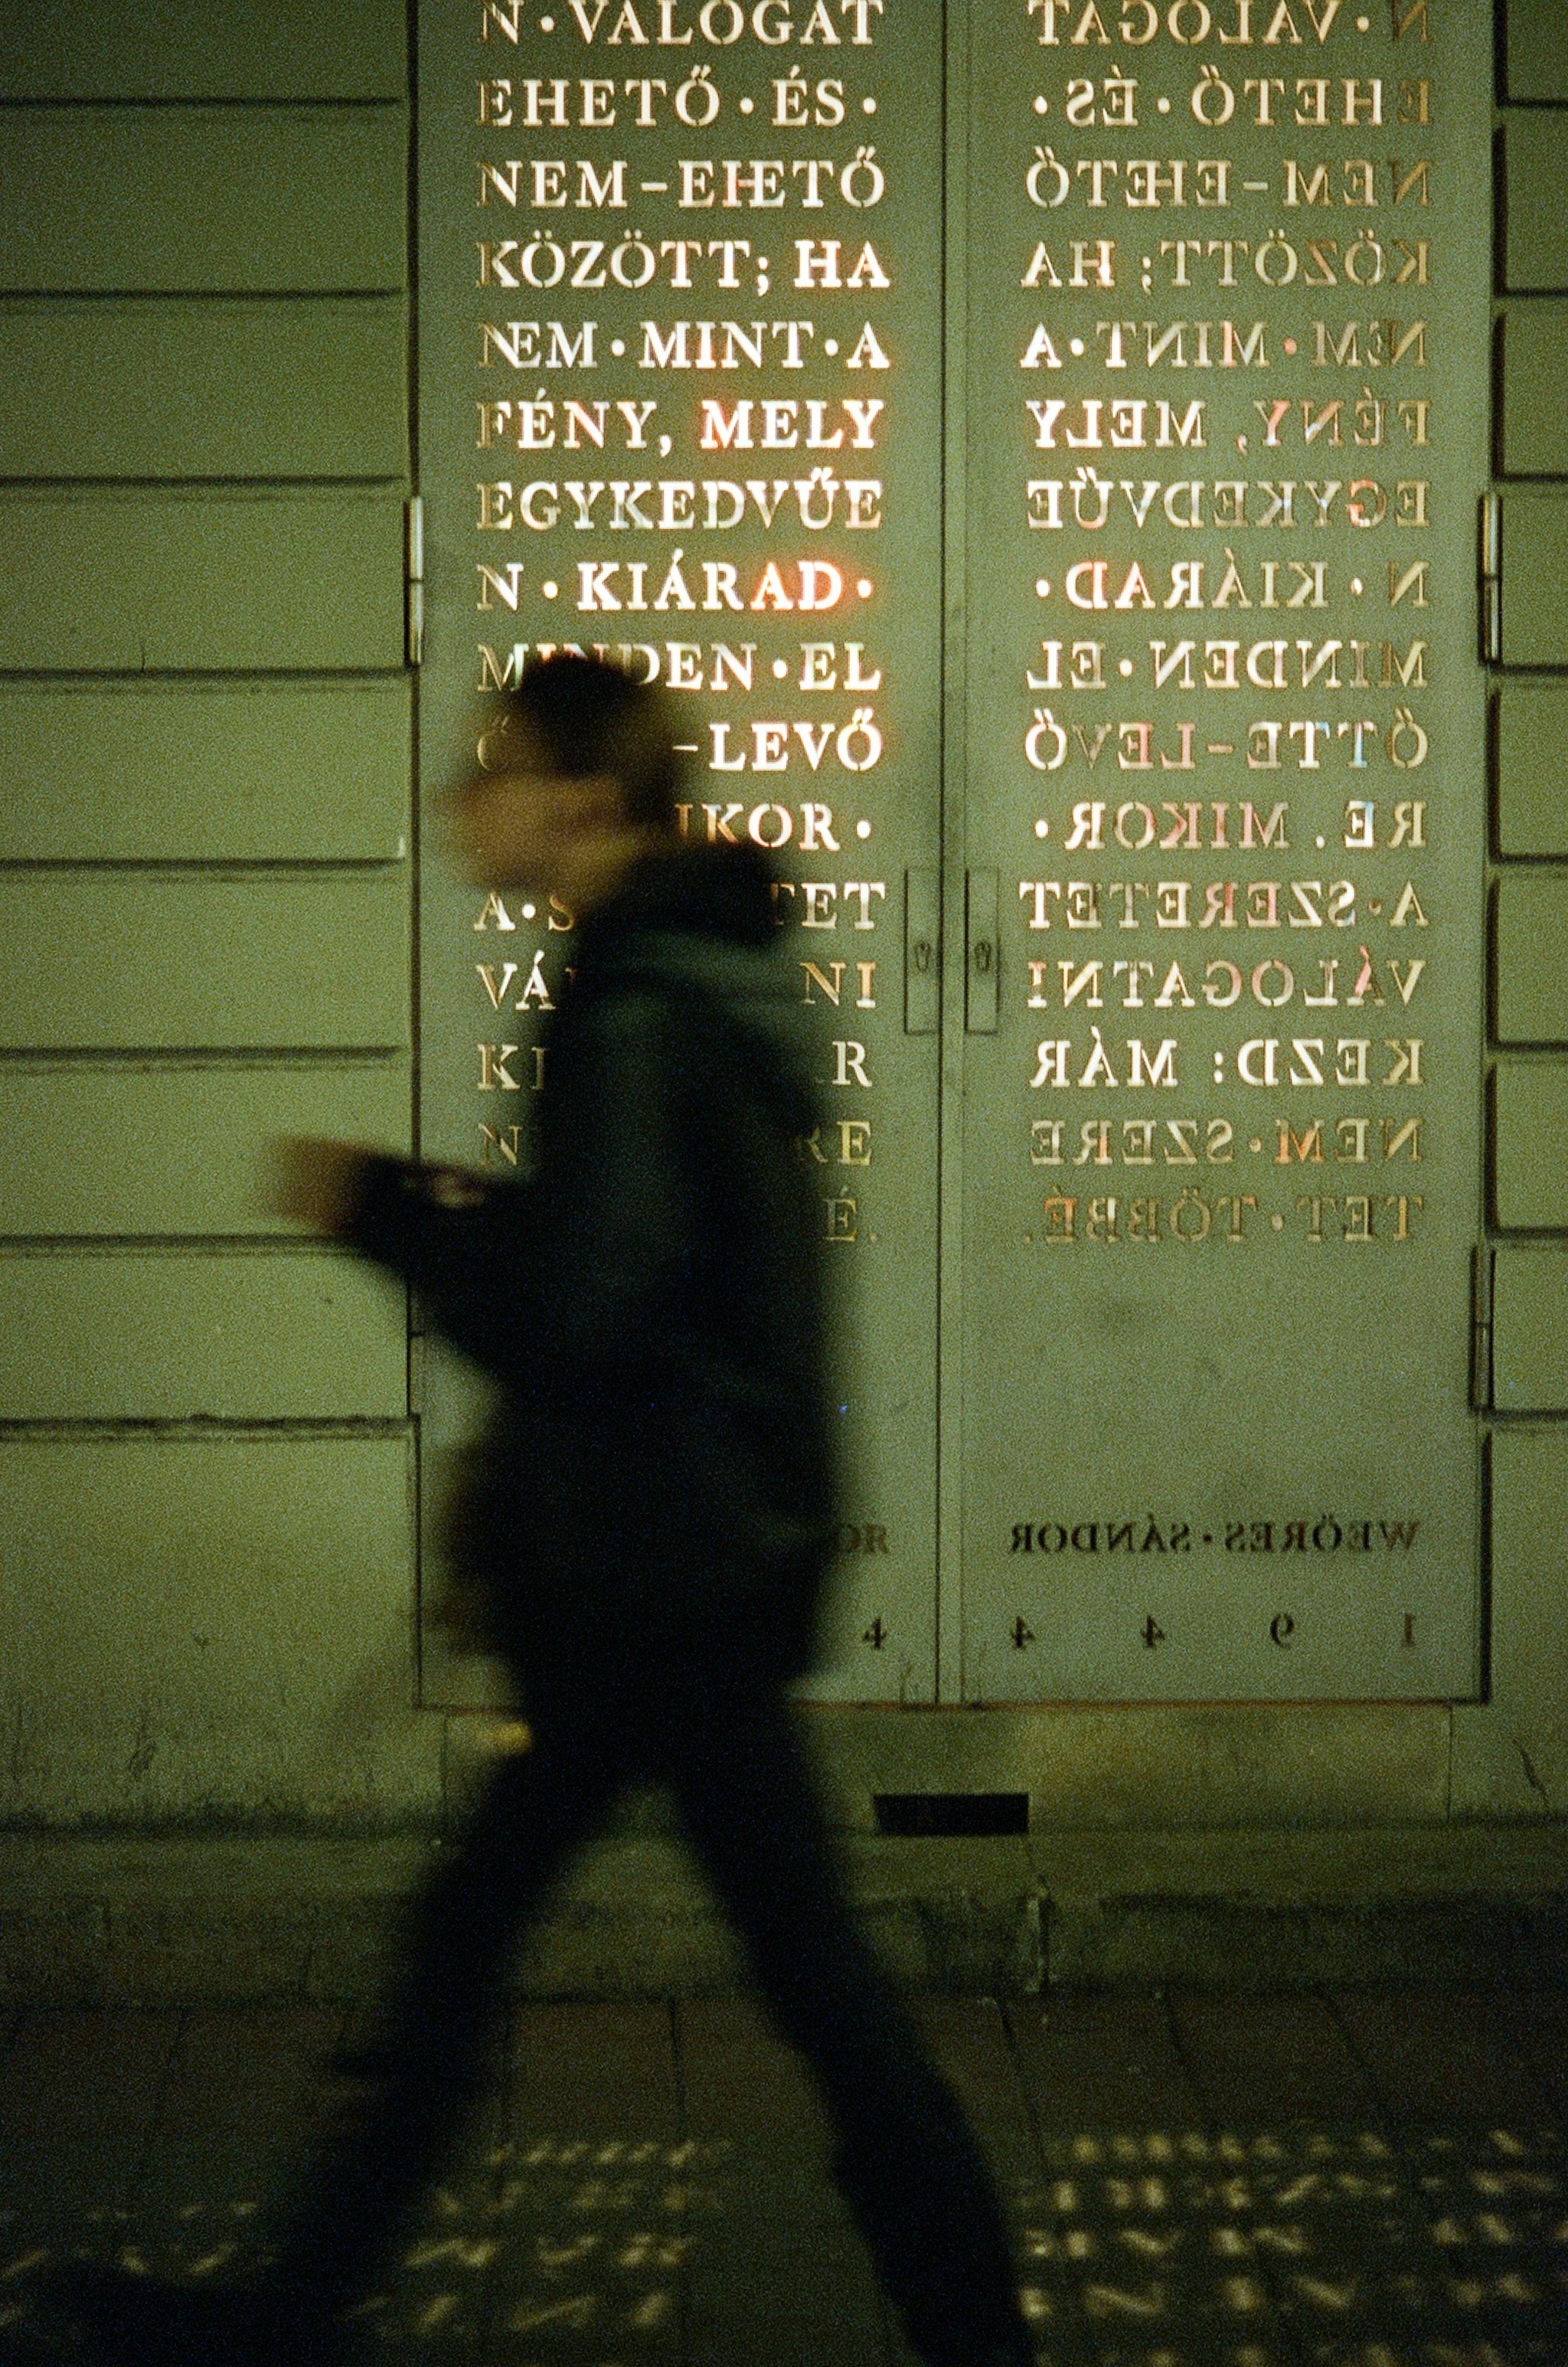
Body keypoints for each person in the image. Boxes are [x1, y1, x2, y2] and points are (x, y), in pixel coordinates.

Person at [42, 653, 1035, 2367]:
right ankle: (294, 2309)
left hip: (662, 1584)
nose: (460, 800)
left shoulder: (638, 1004)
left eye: (488, 768)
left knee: (737, 1974)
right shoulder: (673, 976)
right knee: (584, 1948)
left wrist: (391, 1209)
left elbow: (577, 1308)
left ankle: (289, 2315)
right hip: (677, 1567)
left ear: (582, 796)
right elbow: (623, 1270)